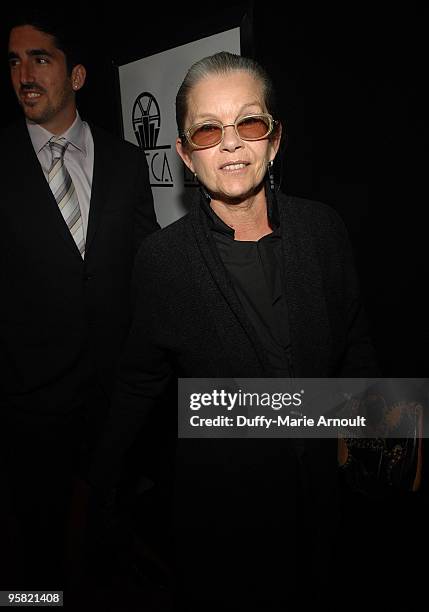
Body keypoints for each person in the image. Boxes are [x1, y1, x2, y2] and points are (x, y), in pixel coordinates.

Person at [89, 51, 378, 609]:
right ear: (184, 155)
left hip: (327, 504)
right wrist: (98, 492)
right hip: (225, 520)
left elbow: (356, 344)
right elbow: (137, 385)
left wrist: (374, 452)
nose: (230, 143)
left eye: (248, 123)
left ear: (273, 139)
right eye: (207, 129)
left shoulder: (324, 229)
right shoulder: (161, 261)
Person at [0, 11, 158, 590]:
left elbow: (144, 266)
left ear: (79, 75)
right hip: (30, 404)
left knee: (107, 531)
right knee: (35, 548)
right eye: (14, 61)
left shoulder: (125, 161)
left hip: (113, 396)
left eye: (40, 58)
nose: (24, 75)